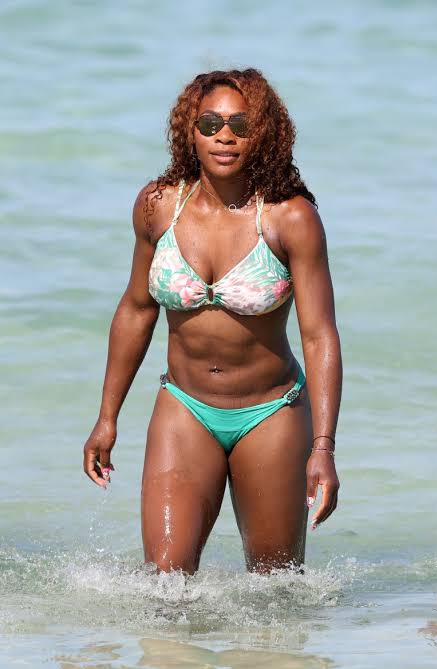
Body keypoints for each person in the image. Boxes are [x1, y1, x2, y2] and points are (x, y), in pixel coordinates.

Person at [83, 68, 342, 576]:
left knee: (275, 590)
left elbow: (319, 336)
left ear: (262, 134)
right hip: (184, 408)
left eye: (240, 125)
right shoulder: (159, 206)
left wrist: (324, 447)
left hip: (271, 414)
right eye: (210, 123)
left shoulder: (289, 217)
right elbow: (137, 309)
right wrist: (107, 417)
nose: (224, 136)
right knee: (164, 586)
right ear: (191, 131)